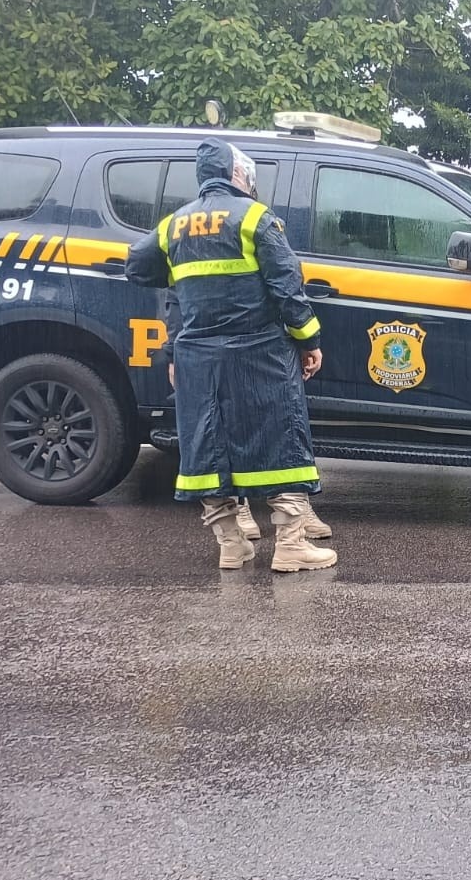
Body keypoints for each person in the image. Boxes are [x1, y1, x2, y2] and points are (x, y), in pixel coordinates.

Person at [128, 138, 336, 572]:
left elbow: (140, 269)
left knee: (209, 446)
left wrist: (174, 349)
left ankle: (231, 544)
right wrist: (309, 339)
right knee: (281, 441)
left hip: (198, 359)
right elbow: (286, 287)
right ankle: (291, 545)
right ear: (238, 173)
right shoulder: (255, 219)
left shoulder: (173, 226)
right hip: (259, 355)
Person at [159, 290, 332, 547]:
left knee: (280, 432)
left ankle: (294, 509)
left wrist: (305, 339)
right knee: (231, 428)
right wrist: (174, 351)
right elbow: (174, 297)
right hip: (231, 343)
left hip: (262, 339)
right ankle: (242, 510)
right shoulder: (185, 248)